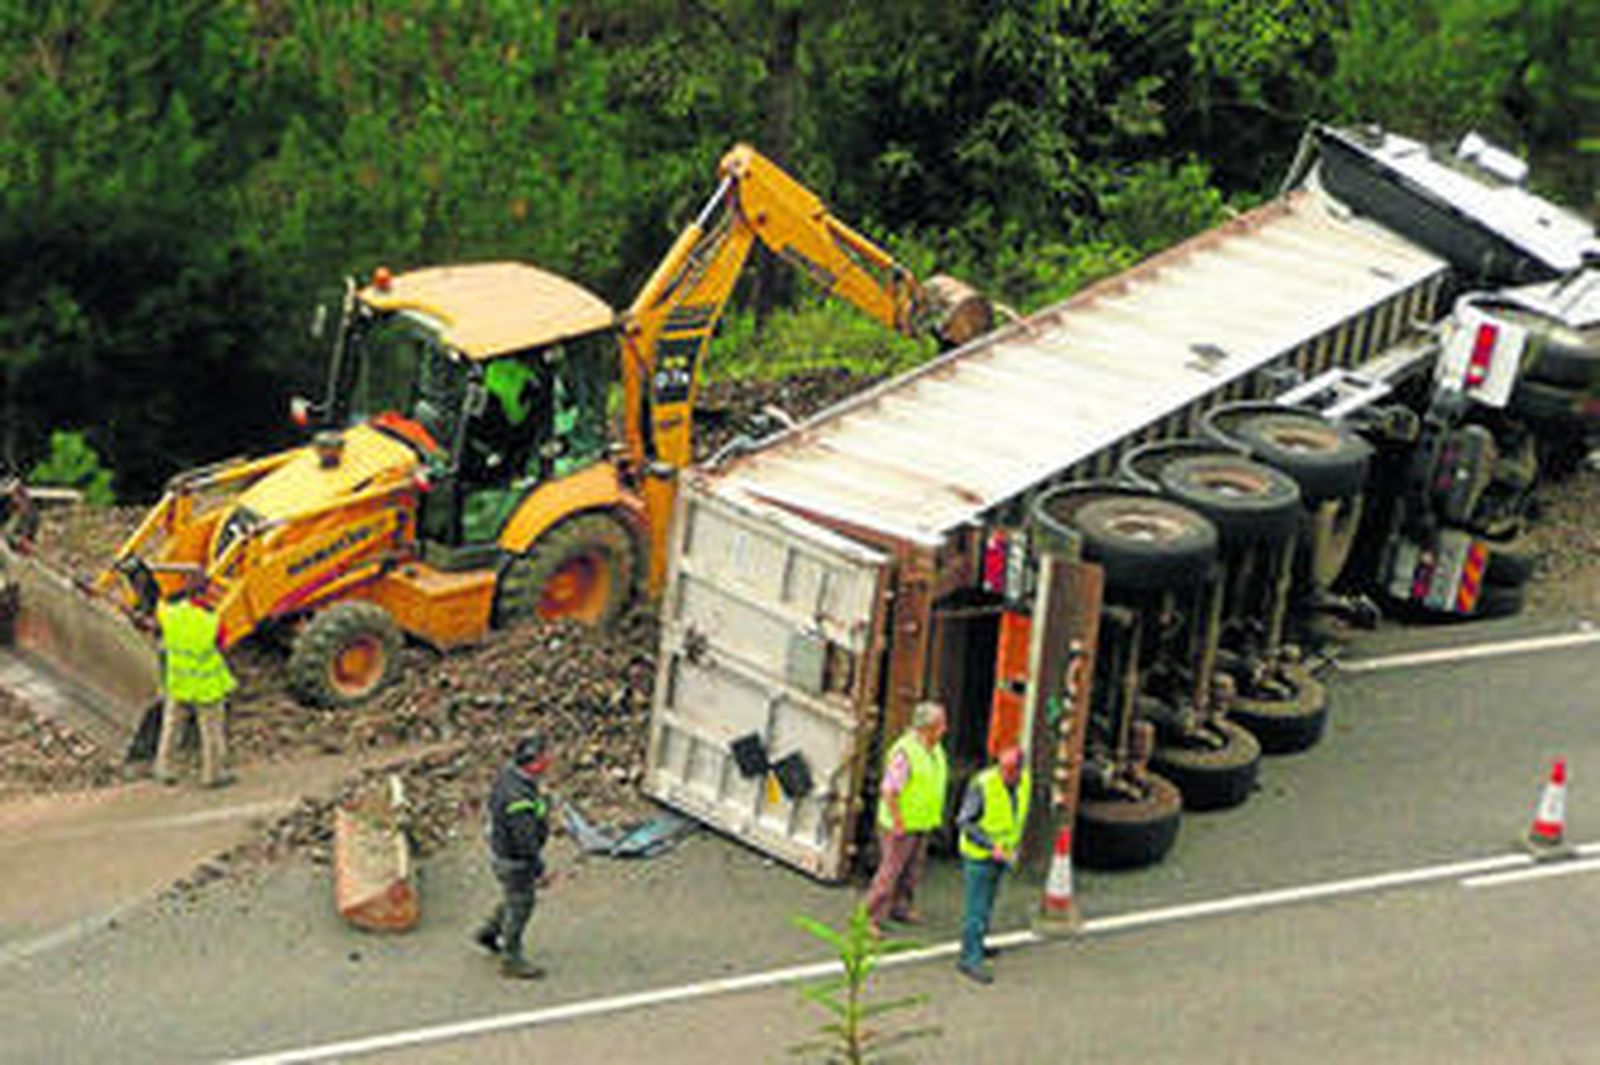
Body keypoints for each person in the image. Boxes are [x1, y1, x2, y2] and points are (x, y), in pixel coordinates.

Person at [863, 700, 949, 934]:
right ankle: (869, 917)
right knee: (890, 872)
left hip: (921, 821)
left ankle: (901, 906)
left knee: (912, 870)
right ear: (927, 728)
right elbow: (889, 791)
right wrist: (898, 820)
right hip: (900, 824)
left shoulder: (935, 749)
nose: (945, 729)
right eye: (941, 725)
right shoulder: (905, 753)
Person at [476, 732, 554, 979]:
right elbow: (525, 841)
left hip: (501, 852)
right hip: (514, 860)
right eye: (546, 755)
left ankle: (488, 932)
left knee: (513, 896)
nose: (551, 758)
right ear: (535, 761)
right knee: (522, 904)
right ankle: (511, 959)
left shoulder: (510, 776)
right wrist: (539, 869)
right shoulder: (518, 797)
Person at [153, 571, 236, 788]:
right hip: (207, 685)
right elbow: (224, 643)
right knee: (211, 731)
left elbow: (156, 613)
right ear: (204, 592)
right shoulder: (212, 620)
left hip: (179, 681)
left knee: (171, 726)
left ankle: (164, 768)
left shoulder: (171, 614)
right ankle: (213, 774)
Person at [955, 745, 1030, 984]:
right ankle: (969, 958)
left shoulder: (1023, 783)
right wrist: (990, 846)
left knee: (987, 903)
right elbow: (965, 822)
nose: (1004, 774)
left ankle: (976, 944)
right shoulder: (983, 785)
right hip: (979, 856)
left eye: (1009, 770)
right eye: (1002, 768)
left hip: (1002, 854)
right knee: (976, 908)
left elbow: (1016, 816)